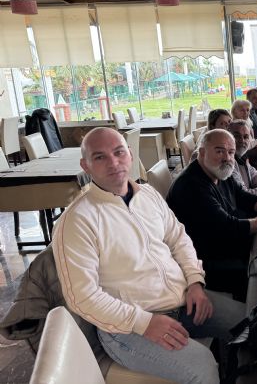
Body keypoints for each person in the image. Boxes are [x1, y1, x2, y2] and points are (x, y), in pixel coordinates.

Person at [53, 127, 245, 384]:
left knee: (249, 322)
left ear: (130, 155)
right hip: (127, 329)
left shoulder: (148, 195)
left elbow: (178, 239)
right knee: (202, 367)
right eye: (100, 157)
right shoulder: (78, 220)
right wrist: (144, 322)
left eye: (119, 152)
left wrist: (195, 282)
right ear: (85, 165)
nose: (113, 162)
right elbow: (82, 297)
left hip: (183, 302)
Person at [167, 129, 257, 300]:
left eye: (231, 152)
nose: (227, 157)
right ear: (202, 153)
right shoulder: (192, 187)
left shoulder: (217, 171)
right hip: (206, 260)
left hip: (225, 241)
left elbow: (243, 197)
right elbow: (228, 227)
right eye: (219, 151)